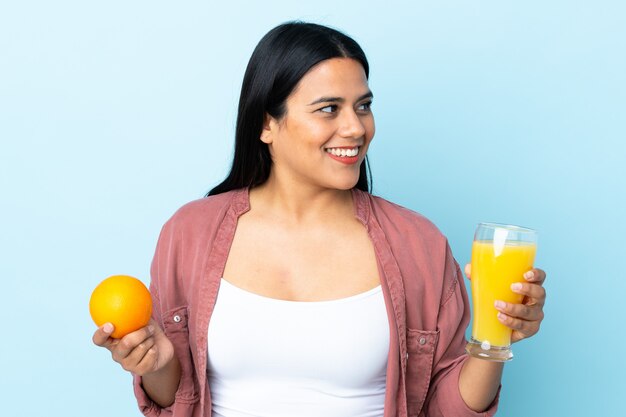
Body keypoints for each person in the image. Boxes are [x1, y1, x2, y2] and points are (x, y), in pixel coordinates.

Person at [92, 21, 547, 417]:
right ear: (267, 125)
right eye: (329, 108)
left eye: (363, 106)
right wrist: (156, 364)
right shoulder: (188, 235)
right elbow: (173, 400)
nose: (355, 128)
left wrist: (495, 339)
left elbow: (448, 410)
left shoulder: (419, 244)